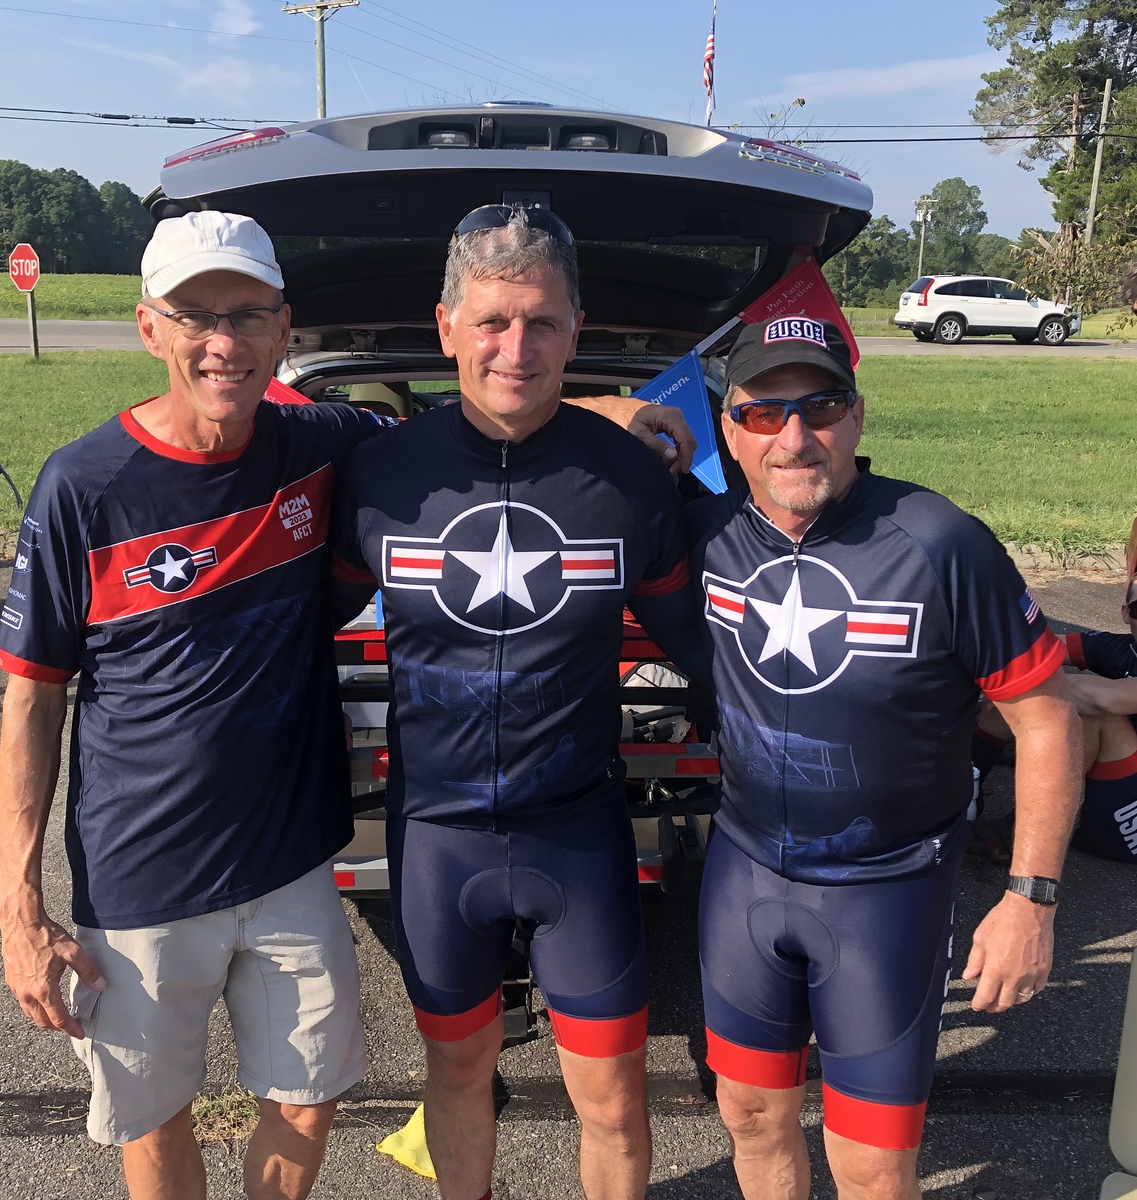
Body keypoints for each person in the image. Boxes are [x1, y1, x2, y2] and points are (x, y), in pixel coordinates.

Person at [0, 210, 694, 1200]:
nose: (223, 342)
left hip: (344, 856)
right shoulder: (105, 483)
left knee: (333, 1100)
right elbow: (30, 698)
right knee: (167, 1120)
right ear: (149, 327)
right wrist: (16, 901)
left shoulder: (337, 447)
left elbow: (498, 418)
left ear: (283, 330)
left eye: (247, 316)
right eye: (195, 316)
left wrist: (609, 410)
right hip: (170, 864)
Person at [333, 204, 710, 1200]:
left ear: (576, 330)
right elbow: (289, 616)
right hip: (435, 836)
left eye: (542, 322)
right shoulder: (381, 472)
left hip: (576, 835)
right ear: (446, 325)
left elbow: (704, 644)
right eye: (493, 320)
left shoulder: (630, 480)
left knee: (614, 1099)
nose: (516, 346)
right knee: (457, 1074)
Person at [685, 317, 1081, 1200]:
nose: (795, 437)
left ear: (858, 417)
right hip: (745, 874)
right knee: (749, 1114)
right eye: (764, 413)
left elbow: (1048, 717)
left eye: (821, 407)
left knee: (870, 1166)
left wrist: (1032, 899)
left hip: (887, 892)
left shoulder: (938, 540)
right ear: (730, 432)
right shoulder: (706, 534)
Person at [975, 571, 1137, 863]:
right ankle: (963, 793)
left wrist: (1007, 683)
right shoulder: (1119, 647)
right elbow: (1037, 650)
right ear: (1126, 614)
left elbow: (1103, 699)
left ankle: (1018, 836)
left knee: (1082, 708)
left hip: (1128, 830)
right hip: (1103, 799)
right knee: (1019, 679)